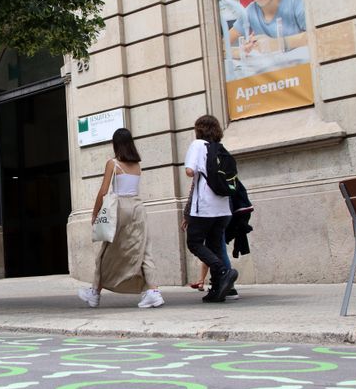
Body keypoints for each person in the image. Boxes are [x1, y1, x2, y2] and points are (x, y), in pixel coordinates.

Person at [77, 128, 164, 309]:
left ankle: (94, 293)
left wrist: (95, 213)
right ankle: (153, 291)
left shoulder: (113, 163)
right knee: (143, 250)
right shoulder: (137, 165)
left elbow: (103, 191)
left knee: (106, 252)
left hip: (120, 208)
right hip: (138, 208)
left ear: (115, 144)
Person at [181, 115, 239, 303]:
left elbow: (190, 171)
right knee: (214, 245)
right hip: (223, 207)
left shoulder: (197, 145)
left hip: (204, 207)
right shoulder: (220, 148)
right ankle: (216, 289)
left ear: (199, 129)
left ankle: (223, 271)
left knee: (194, 242)